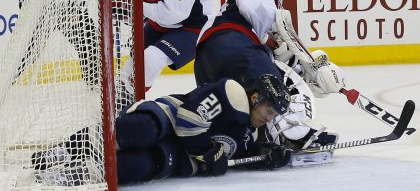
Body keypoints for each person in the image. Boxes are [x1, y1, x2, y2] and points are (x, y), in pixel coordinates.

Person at [31, 75, 292, 185]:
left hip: (179, 155)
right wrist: (208, 154)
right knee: (143, 130)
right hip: (170, 118)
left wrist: (268, 160)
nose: (269, 119)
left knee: (142, 166)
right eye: (269, 111)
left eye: (275, 116)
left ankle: (76, 175)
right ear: (256, 97)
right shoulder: (232, 93)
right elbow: (189, 121)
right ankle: (66, 150)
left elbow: (235, 159)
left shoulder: (253, 134)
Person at [194, 0, 343, 162]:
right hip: (232, 44)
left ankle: (254, 140)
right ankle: (297, 133)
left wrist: (305, 72)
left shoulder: (247, 25)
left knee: (241, 110)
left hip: (208, 65)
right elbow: (258, 5)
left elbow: (281, 61)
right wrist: (311, 64)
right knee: (273, 85)